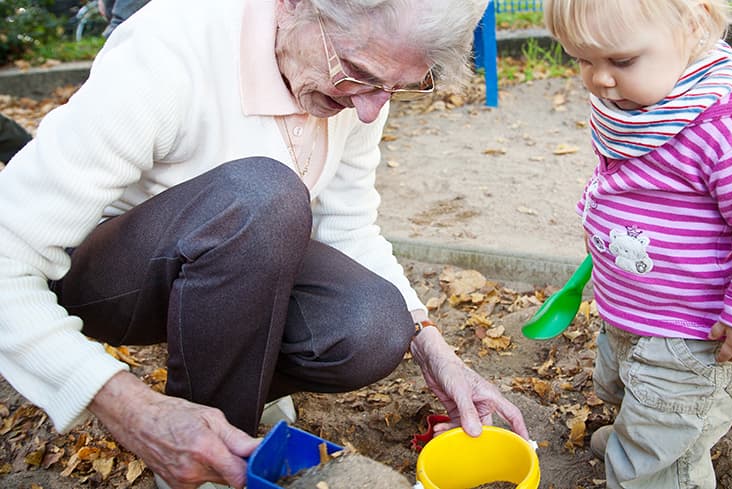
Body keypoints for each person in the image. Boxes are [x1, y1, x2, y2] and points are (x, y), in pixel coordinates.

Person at [0, 0, 529, 488]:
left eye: (397, 88)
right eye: (359, 75)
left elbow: (347, 227)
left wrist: (437, 352)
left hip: (229, 253)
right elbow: (7, 258)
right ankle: (196, 454)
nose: (370, 111)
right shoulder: (170, 49)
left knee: (373, 326)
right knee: (263, 195)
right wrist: (129, 407)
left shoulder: (364, 77)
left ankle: (221, 422)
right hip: (104, 276)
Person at [541, 0, 732, 487]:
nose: (599, 79)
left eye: (620, 61)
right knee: (624, 386)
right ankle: (636, 439)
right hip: (632, 311)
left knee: (664, 443)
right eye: (582, 60)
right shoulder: (637, 106)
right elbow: (619, 177)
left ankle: (652, 462)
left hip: (695, 335)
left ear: (693, 24)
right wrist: (594, 213)